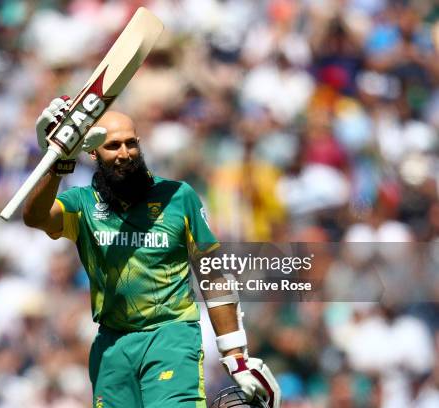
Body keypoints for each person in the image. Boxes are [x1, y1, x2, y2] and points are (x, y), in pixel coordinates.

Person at [23, 97, 281, 407]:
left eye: (130, 144)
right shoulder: (82, 204)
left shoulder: (177, 197)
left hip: (170, 336)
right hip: (112, 345)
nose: (124, 154)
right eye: (112, 146)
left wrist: (235, 354)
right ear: (92, 152)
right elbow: (35, 216)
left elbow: (213, 276)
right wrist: (58, 161)